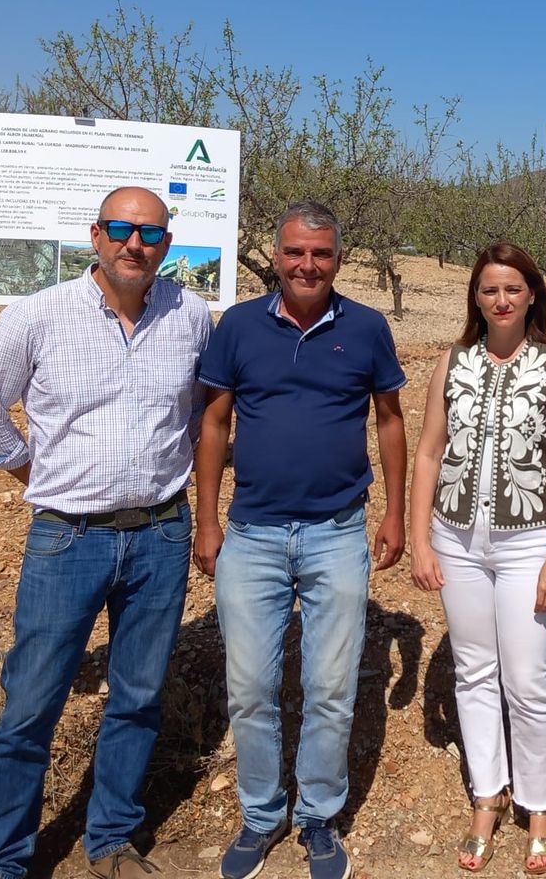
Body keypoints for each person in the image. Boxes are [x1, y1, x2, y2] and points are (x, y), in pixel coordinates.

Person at [0, 186, 212, 879]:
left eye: (152, 234)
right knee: (32, 704)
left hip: (161, 536)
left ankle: (111, 841)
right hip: (67, 539)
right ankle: (7, 859)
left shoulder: (191, 315)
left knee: (137, 697)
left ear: (168, 243)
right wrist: (33, 477)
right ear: (96, 235)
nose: (137, 244)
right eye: (123, 230)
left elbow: (198, 416)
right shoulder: (37, 316)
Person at [192, 200, 408, 879]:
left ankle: (318, 816)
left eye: (320, 254)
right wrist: (206, 519)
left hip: (337, 531)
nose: (306, 264)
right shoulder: (238, 326)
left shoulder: (368, 328)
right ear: (276, 256)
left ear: (338, 259)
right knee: (251, 686)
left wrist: (395, 513)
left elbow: (392, 421)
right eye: (294, 252)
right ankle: (261, 817)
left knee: (331, 686)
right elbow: (215, 423)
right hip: (252, 533)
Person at [409, 243, 546, 875]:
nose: (502, 300)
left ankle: (543, 804)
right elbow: (428, 452)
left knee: (528, 679)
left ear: (532, 295)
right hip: (457, 537)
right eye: (489, 290)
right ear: (475, 298)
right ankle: (488, 793)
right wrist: (421, 537)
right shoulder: (452, 363)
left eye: (514, 289)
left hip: (529, 540)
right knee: (472, 670)